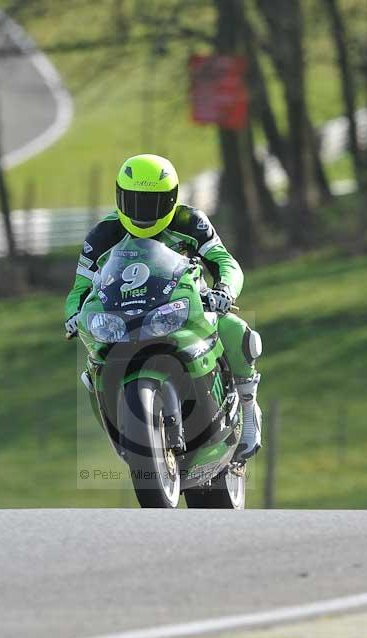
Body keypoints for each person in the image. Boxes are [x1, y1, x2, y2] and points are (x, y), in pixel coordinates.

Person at [65, 153, 262, 460]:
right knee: (92, 369)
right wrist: (73, 317)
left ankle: (248, 410)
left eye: (153, 203)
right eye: (135, 202)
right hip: (122, 315)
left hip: (183, 307)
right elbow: (80, 288)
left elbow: (225, 262)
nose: (143, 212)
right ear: (120, 198)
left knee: (234, 330)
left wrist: (224, 289)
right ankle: (121, 426)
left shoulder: (190, 221)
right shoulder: (103, 234)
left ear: (171, 199)